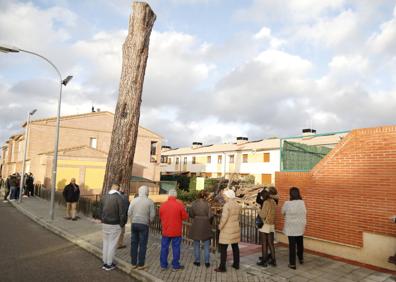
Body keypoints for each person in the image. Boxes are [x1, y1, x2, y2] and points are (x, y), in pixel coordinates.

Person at [159, 189, 188, 271]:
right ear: (176, 196)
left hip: (166, 230)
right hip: (176, 230)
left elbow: (160, 216)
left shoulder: (163, 205)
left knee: (164, 248)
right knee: (176, 248)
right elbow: (185, 217)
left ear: (168, 195)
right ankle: (175, 266)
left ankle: (163, 265)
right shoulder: (180, 205)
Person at [101, 184, 127, 271]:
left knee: (106, 243)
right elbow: (122, 213)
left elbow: (101, 209)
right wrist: (122, 224)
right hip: (114, 224)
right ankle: (109, 264)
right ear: (118, 189)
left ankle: (105, 262)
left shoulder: (105, 196)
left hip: (105, 223)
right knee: (112, 244)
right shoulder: (119, 198)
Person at [128, 185, 155, 269]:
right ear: (147, 192)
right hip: (144, 224)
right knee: (143, 244)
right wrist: (150, 221)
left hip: (134, 223)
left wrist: (132, 220)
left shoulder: (134, 200)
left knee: (134, 243)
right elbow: (152, 215)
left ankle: (133, 263)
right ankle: (141, 264)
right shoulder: (150, 202)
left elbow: (129, 212)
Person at [215, 189, 241, 273]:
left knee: (223, 248)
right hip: (235, 228)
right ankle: (236, 264)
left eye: (225, 196)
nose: (224, 197)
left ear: (229, 196)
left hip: (227, 229)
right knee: (235, 247)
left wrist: (220, 226)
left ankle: (222, 267)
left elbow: (224, 218)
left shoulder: (227, 205)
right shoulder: (237, 204)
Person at [282, 187, 307, 270]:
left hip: (291, 227)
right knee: (300, 243)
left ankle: (292, 264)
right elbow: (304, 212)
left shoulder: (287, 203)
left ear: (290, 194)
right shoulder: (302, 202)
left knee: (292, 245)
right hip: (300, 225)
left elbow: (283, 212)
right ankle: (301, 259)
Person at [189, 190, 213, 268]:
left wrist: (196, 217)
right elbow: (210, 216)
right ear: (205, 196)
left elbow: (191, 214)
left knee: (196, 243)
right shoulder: (207, 204)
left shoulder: (194, 203)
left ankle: (197, 261)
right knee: (206, 244)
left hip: (196, 223)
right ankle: (207, 262)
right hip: (205, 224)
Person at [257, 188, 277, 267]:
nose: (261, 197)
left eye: (262, 196)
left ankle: (264, 261)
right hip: (271, 224)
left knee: (264, 243)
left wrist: (258, 209)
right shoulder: (273, 201)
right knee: (271, 243)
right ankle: (273, 260)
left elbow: (263, 215)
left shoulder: (266, 202)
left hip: (265, 224)